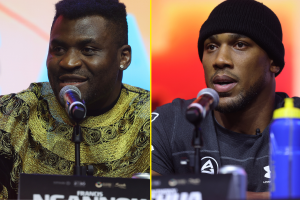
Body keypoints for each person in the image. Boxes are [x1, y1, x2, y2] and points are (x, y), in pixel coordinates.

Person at [0, 0, 150, 199]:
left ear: (123, 58)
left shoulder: (151, 120)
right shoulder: (12, 115)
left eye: (88, 49)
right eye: (59, 49)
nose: (68, 62)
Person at [152, 0, 299, 199]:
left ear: (273, 61)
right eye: (211, 47)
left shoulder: (295, 121)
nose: (220, 60)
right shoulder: (168, 123)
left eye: (240, 45)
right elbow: (140, 192)